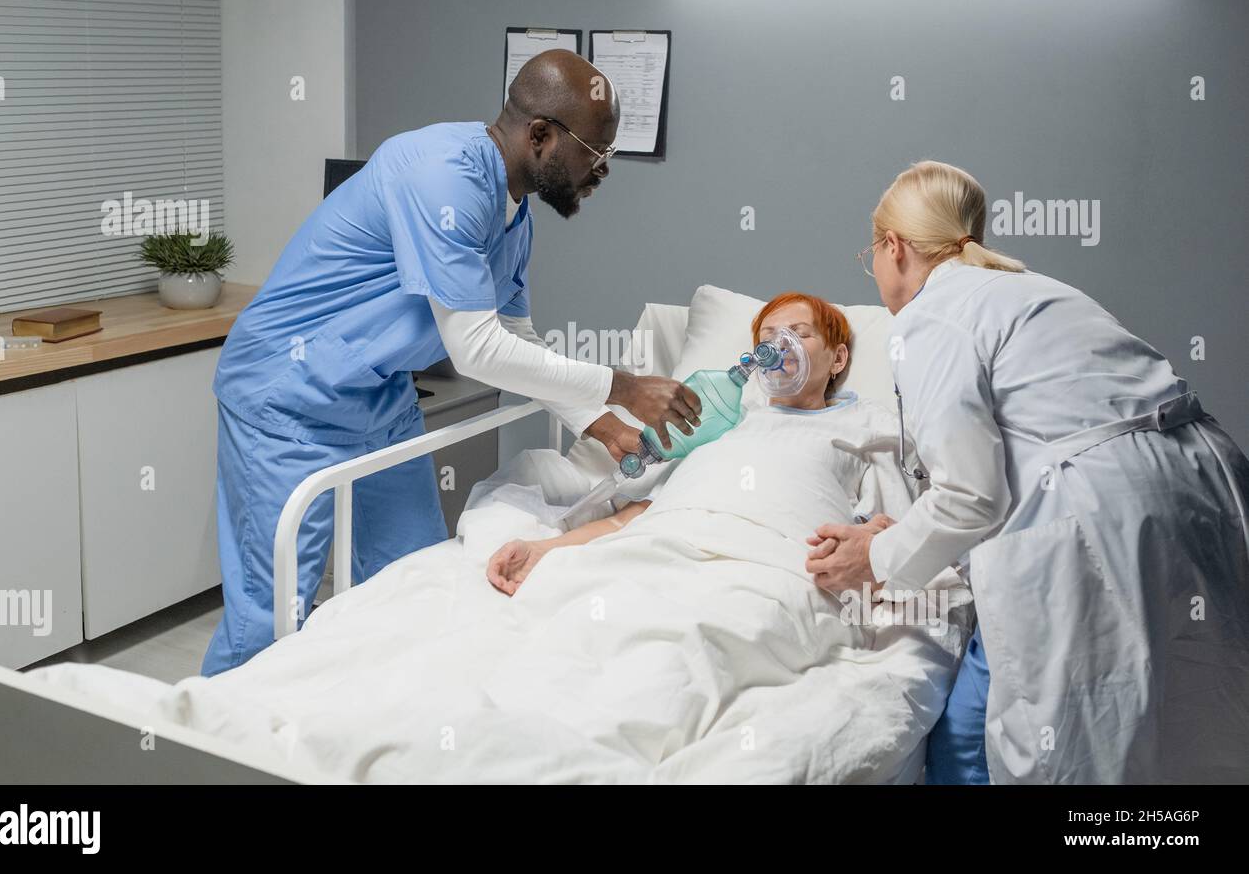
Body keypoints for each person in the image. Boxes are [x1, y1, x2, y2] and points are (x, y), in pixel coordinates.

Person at [202, 50, 702, 675]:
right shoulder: (443, 175)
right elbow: (477, 351)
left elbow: (517, 343)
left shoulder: (514, 211)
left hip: (375, 398)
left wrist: (602, 424)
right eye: (595, 152)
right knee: (269, 617)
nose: (601, 170)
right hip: (286, 394)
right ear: (541, 135)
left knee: (415, 582)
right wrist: (625, 385)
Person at [806, 160, 1249, 783]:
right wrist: (903, 536)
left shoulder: (929, 319)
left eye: (869, 254)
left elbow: (972, 497)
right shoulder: (1042, 291)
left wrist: (876, 559)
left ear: (894, 246)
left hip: (1104, 516)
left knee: (1072, 741)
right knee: (1197, 722)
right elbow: (1032, 445)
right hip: (1206, 487)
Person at [487, 292, 910, 595]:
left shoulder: (868, 424)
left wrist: (877, 538)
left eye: (799, 334)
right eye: (768, 338)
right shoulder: (725, 421)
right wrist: (545, 550)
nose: (779, 348)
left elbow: (895, 528)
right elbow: (641, 515)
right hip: (670, 547)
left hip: (770, 567)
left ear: (838, 360)